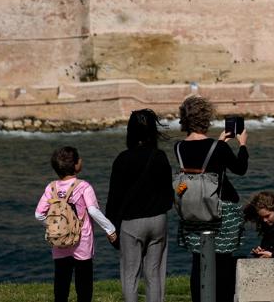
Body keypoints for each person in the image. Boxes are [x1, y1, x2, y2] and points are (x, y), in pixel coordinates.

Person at [176, 96, 250, 302]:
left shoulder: (179, 147)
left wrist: (219, 143)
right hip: (220, 210)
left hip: (192, 210)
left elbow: (202, 162)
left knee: (198, 261)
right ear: (206, 119)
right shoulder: (219, 148)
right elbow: (240, 169)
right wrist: (242, 145)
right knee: (223, 262)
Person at [106, 109, 174, 302]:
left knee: (130, 275)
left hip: (132, 224)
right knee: (154, 274)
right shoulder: (159, 156)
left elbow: (114, 198)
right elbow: (168, 194)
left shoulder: (122, 159)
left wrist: (111, 228)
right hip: (158, 220)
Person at [35, 146, 118, 302]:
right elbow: (93, 211)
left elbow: (39, 214)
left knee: (61, 282)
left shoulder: (51, 187)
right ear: (76, 166)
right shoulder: (83, 186)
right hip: (82, 242)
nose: (81, 160)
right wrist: (110, 229)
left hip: (59, 242)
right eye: (78, 158)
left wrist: (55, 225)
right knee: (84, 284)